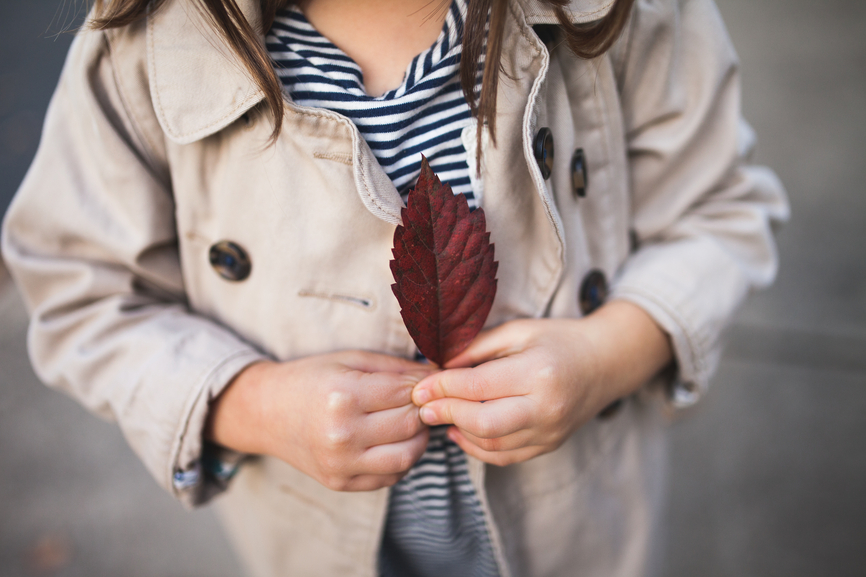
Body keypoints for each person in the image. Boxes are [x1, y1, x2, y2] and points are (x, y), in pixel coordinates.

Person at [0, 0, 789, 575]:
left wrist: (609, 353)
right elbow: (80, 290)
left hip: (578, 536)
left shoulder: (619, 15)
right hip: (310, 547)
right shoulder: (148, 43)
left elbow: (723, 212)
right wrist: (252, 401)